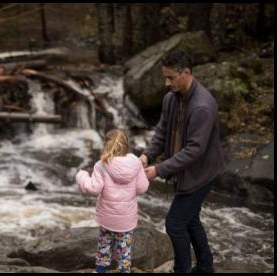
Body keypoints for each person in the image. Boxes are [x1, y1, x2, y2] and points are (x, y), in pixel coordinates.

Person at [139, 50, 224, 273]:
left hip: (202, 172)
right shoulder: (170, 99)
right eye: (164, 77)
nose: (166, 83)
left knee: (175, 224)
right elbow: (161, 131)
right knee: (190, 218)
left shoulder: (202, 106)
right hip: (187, 169)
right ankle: (205, 267)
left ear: (186, 73)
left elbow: (194, 151)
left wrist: (158, 170)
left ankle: (181, 269)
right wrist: (147, 155)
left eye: (171, 78)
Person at [76, 129, 149, 273]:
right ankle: (124, 271)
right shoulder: (136, 163)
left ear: (106, 145)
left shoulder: (101, 165)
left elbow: (94, 188)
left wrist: (82, 176)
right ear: (126, 145)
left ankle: (100, 270)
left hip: (107, 218)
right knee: (124, 250)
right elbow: (142, 188)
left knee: (104, 245)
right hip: (126, 219)